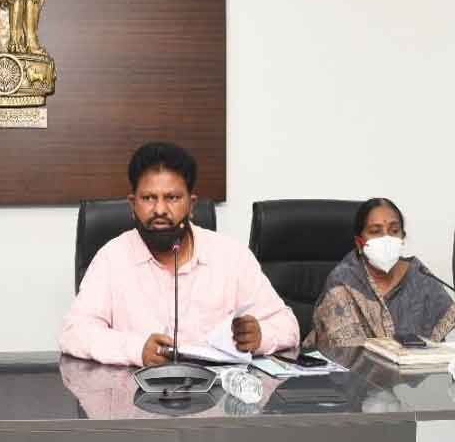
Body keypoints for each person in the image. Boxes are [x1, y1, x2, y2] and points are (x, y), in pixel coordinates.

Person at [59, 142, 299, 366]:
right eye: (149, 198)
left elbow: (288, 326)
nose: (160, 210)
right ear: (133, 205)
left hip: (216, 400)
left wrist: (260, 336)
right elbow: (74, 332)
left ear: (191, 205)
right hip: (136, 398)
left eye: (172, 198)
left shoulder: (231, 256)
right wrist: (135, 349)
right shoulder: (111, 258)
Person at [307, 198, 455, 351]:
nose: (386, 238)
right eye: (375, 232)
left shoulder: (420, 276)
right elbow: (344, 351)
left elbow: (437, 347)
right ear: (359, 242)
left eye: (394, 231)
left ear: (402, 238)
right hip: (353, 371)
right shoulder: (343, 281)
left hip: (418, 369)